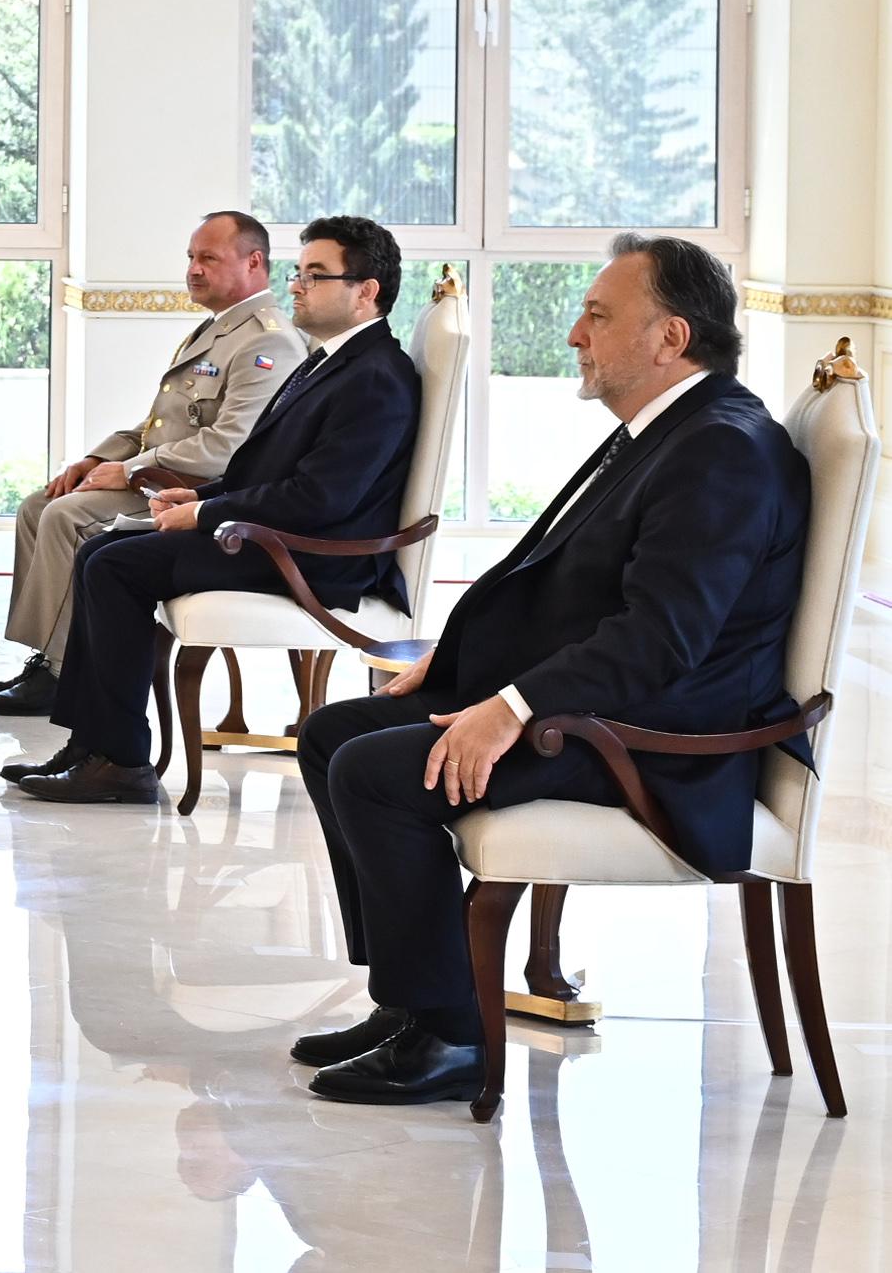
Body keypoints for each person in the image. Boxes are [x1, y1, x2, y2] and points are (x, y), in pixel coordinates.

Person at [289, 235, 808, 1106]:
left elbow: (660, 638)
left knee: (373, 772)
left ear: (670, 338)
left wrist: (509, 707)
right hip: (609, 709)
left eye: (597, 315)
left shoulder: (719, 448)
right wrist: (459, 667)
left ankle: (451, 1036)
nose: (574, 333)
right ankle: (412, 996)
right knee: (332, 731)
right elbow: (577, 594)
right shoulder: (676, 428)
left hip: (653, 740)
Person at [8, 214, 421, 806]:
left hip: (315, 557)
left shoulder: (376, 376)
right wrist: (200, 498)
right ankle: (90, 744)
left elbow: (321, 498)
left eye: (315, 275)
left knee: (115, 565)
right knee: (102, 549)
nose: (296, 285)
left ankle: (120, 761)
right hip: (281, 535)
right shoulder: (333, 360)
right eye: (299, 272)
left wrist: (205, 517)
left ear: (366, 291)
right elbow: (270, 469)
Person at [0, 211, 299, 715]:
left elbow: (229, 448)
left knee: (65, 516)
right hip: (161, 477)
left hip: (195, 492)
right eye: (191, 257)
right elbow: (158, 425)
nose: (193, 269)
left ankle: (64, 674)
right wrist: (98, 458)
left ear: (254, 262)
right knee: (39, 506)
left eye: (209, 258)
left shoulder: (268, 340)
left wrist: (129, 471)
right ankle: (50, 658)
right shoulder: (219, 328)